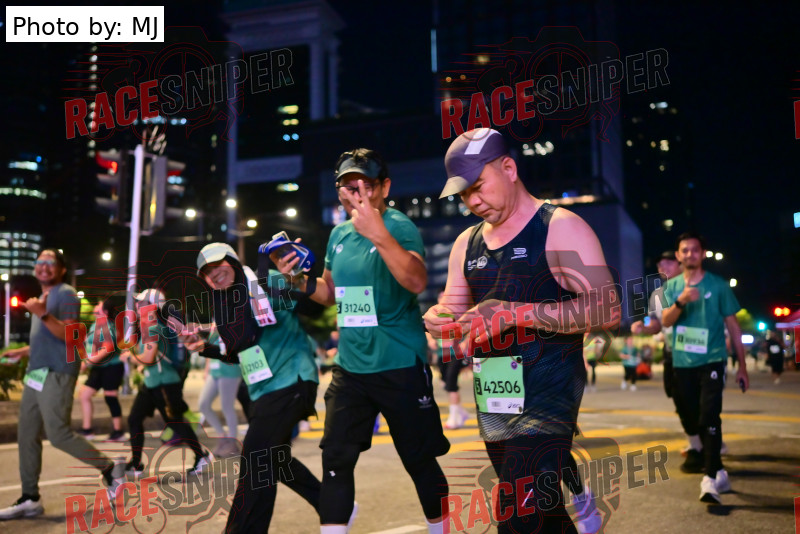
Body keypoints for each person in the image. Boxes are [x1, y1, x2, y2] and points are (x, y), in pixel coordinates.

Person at [423, 128, 619, 534]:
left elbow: (607, 308)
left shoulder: (560, 227)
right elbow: (452, 307)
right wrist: (438, 318)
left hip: (549, 392)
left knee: (516, 514)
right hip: (495, 393)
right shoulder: (466, 243)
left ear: (509, 168)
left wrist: (514, 313)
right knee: (543, 515)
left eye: (478, 186)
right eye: (463, 194)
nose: (472, 201)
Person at [277, 148, 450, 534]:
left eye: (364, 185)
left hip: (400, 363)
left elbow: (416, 281)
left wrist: (378, 234)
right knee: (336, 459)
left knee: (419, 460)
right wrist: (296, 280)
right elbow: (330, 292)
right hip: (351, 367)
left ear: (383, 187)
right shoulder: (339, 234)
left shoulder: (399, 226)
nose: (355, 193)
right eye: (346, 186)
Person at [189, 242, 321, 533]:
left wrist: (294, 279)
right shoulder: (224, 305)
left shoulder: (264, 281)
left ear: (233, 261)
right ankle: (332, 506)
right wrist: (203, 347)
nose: (214, 274)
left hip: (291, 379)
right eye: (206, 272)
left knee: (254, 462)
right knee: (274, 461)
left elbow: (312, 307)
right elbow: (237, 351)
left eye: (218, 265)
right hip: (262, 389)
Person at [0, 249, 124, 520]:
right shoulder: (43, 298)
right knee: (26, 435)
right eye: (40, 262)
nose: (44, 267)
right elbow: (47, 340)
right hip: (36, 374)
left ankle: (110, 469)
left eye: (50, 263)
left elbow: (71, 336)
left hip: (57, 373)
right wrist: (23, 352)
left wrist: (42, 313)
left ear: (61, 269)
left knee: (58, 434)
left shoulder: (66, 294)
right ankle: (30, 498)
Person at [660, 231, 749, 504]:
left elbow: (734, 327)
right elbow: (666, 320)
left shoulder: (718, 285)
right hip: (682, 362)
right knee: (691, 415)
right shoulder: (672, 287)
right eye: (685, 250)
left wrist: (742, 366)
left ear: (702, 254)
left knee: (710, 415)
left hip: (712, 359)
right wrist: (682, 300)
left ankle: (710, 478)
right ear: (679, 255)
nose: (690, 254)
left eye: (695, 250)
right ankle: (719, 470)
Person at [124, 288, 211, 476]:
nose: (137, 306)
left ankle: (201, 456)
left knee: (175, 422)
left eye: (141, 302)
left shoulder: (153, 328)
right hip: (152, 383)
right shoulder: (154, 327)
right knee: (134, 419)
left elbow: (148, 358)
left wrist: (130, 357)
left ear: (152, 306)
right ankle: (136, 463)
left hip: (164, 385)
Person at [78, 294, 127, 442]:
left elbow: (108, 348)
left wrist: (87, 363)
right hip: (99, 367)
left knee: (110, 397)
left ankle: (118, 432)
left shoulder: (105, 325)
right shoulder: (96, 324)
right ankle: (87, 430)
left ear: (105, 312)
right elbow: (91, 346)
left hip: (112, 367)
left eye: (98, 305)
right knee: (84, 395)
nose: (95, 306)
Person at [197, 324, 241, 457]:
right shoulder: (215, 318)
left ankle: (232, 444)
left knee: (227, 407)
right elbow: (210, 345)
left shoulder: (230, 317)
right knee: (203, 404)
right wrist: (207, 369)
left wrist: (202, 328)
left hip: (230, 369)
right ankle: (223, 437)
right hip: (215, 370)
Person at [431, 290, 470, 429]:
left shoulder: (460, 313)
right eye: (441, 298)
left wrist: (465, 343)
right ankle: (461, 412)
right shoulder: (435, 314)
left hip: (456, 353)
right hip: (442, 353)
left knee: (451, 383)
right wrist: (430, 340)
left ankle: (454, 417)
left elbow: (470, 328)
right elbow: (428, 328)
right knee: (445, 382)